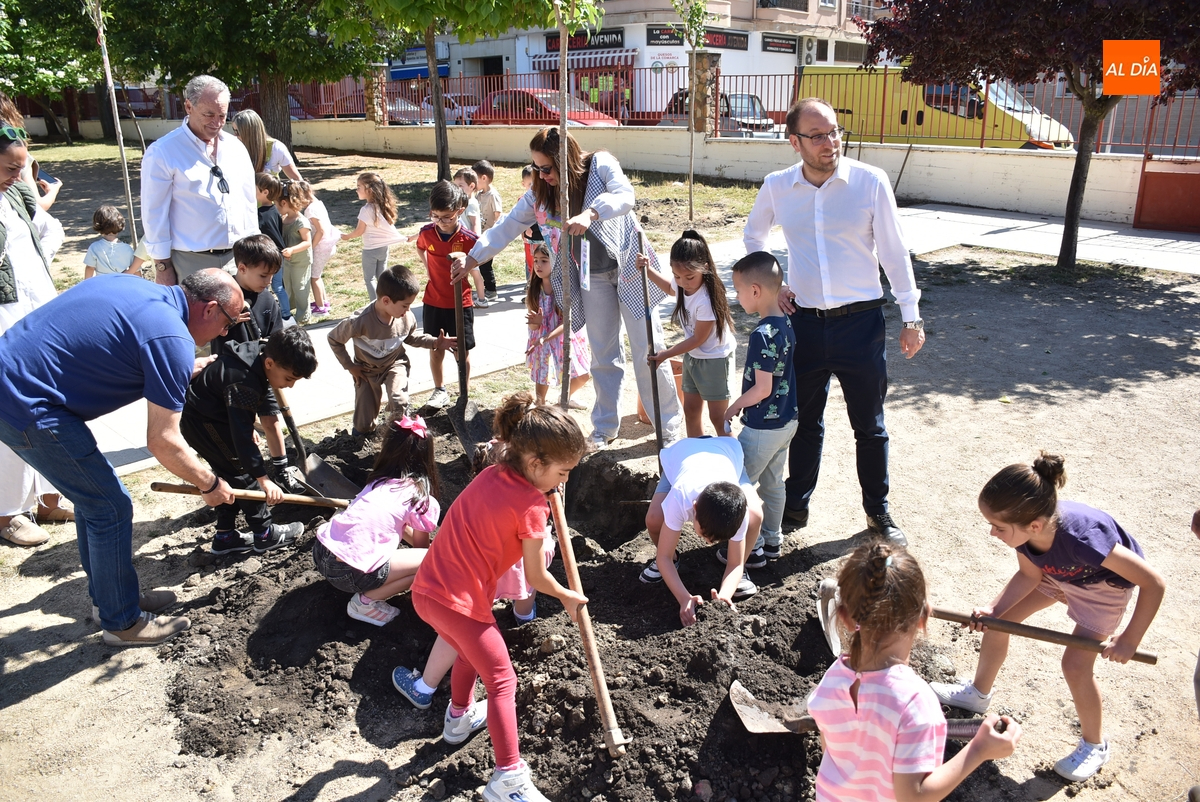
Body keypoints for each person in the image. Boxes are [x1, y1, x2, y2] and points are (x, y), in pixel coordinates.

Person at [0, 268, 243, 645]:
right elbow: (163, 441)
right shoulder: (170, 338)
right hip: (28, 405)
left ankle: (113, 600)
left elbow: (115, 339)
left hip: (13, 376)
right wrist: (208, 483)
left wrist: (178, 367)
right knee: (110, 507)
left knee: (93, 500)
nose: (225, 333)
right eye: (227, 323)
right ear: (210, 309)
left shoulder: (136, 289)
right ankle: (122, 623)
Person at [744, 96, 924, 547]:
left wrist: (911, 316)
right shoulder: (778, 186)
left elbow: (894, 251)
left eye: (835, 132)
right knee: (804, 420)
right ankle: (797, 505)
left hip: (860, 324)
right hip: (802, 322)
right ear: (795, 142)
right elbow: (753, 234)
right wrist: (773, 286)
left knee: (870, 423)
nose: (831, 143)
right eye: (818, 136)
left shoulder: (869, 182)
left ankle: (877, 511)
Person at [930, 453, 1165, 782]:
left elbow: (1153, 583)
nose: (992, 533)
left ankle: (1095, 745)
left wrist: (1129, 640)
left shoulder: (1085, 540)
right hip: (1059, 573)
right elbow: (1029, 576)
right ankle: (978, 694)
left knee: (1075, 665)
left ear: (1034, 526)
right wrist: (995, 610)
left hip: (1101, 587)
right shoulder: (1026, 533)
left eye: (998, 527)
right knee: (1000, 624)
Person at [409, 393, 588, 802]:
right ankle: (507, 777)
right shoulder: (531, 507)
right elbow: (535, 576)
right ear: (535, 464)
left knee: (470, 654)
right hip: (459, 602)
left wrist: (544, 495)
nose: (564, 483)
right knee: (504, 680)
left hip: (429, 591)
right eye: (562, 473)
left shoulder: (491, 474)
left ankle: (458, 718)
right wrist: (567, 595)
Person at [459, 127, 683, 450]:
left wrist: (592, 213)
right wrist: (473, 259)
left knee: (650, 349)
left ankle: (668, 426)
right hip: (592, 277)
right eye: (535, 168)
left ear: (566, 160)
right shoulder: (540, 194)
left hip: (633, 268)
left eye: (547, 168)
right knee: (603, 354)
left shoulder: (600, 165)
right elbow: (506, 226)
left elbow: (625, 195)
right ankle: (605, 426)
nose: (541, 175)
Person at [808, 541, 1021, 801]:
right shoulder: (915, 702)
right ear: (924, 616)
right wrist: (979, 749)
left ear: (844, 617)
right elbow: (915, 796)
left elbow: (831, 747)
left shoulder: (834, 677)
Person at [181, 327, 315, 554]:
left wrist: (240, 419)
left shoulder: (259, 356)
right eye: (289, 378)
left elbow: (240, 410)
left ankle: (225, 536)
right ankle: (264, 534)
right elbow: (242, 436)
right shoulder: (244, 380)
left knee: (227, 476)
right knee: (242, 473)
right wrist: (263, 479)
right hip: (203, 423)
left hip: (212, 418)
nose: (290, 385)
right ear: (271, 363)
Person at [0, 126, 72, 548]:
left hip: (33, 313)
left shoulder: (14, 193)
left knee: (44, 404)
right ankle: (9, 511)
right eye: (12, 167)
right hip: (3, 318)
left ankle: (46, 497)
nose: (18, 173)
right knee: (9, 411)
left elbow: (48, 230)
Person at [313, 413, 439, 625]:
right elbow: (422, 549)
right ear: (427, 459)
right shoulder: (420, 498)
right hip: (349, 573)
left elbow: (398, 527)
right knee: (431, 563)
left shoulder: (377, 483)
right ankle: (364, 604)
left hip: (322, 552)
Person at [141, 75, 258, 285]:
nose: (217, 123)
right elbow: (154, 214)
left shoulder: (236, 147)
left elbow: (248, 202)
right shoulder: (162, 152)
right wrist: (162, 266)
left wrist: (255, 249)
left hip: (238, 258)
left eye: (222, 115)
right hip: (191, 261)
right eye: (209, 114)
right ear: (188, 106)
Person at [722, 251, 798, 566]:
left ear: (755, 291)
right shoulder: (785, 324)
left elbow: (762, 388)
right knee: (773, 484)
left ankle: (748, 548)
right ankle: (772, 540)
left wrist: (733, 407)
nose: (736, 296)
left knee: (738, 485)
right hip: (786, 421)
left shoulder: (762, 335)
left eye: (738, 290)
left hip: (761, 428)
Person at [210, 234, 302, 495]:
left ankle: (281, 469)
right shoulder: (225, 299)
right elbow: (207, 332)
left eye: (272, 275)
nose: (268, 281)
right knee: (238, 424)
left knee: (271, 419)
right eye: (263, 276)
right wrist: (228, 322)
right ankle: (238, 473)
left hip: (264, 374)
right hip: (232, 377)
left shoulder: (267, 300)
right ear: (242, 268)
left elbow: (276, 337)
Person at [642, 436, 764, 625]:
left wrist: (724, 596)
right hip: (681, 457)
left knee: (756, 516)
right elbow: (662, 557)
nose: (708, 542)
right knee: (654, 519)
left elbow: (735, 564)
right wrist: (684, 598)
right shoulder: (682, 496)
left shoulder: (739, 510)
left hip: (727, 456)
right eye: (706, 534)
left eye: (716, 540)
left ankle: (740, 576)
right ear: (695, 507)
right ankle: (675, 562)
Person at [327, 265, 454, 438]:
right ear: (386, 301)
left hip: (395, 364)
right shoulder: (359, 321)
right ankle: (360, 438)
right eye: (405, 305)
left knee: (398, 399)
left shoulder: (405, 318)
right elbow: (334, 339)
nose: (408, 310)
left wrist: (436, 342)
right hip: (366, 370)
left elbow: (411, 338)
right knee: (363, 424)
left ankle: (400, 436)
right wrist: (350, 365)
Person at [640, 230, 736, 438]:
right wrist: (648, 270)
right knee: (691, 411)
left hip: (715, 360)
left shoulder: (707, 300)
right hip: (694, 357)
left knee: (718, 418)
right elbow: (670, 287)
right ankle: (697, 452)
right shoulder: (683, 285)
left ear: (705, 268)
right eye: (677, 276)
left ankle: (734, 459)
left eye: (690, 277)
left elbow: (698, 338)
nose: (683, 282)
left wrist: (666, 354)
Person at [416, 180, 482, 408]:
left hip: (460, 303)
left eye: (447, 217)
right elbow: (420, 247)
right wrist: (428, 268)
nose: (440, 222)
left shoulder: (469, 239)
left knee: (460, 351)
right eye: (435, 216)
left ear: (460, 211)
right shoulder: (426, 233)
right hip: (434, 301)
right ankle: (439, 389)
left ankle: (464, 392)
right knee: (436, 347)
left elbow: (480, 261)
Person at [525, 242, 590, 407]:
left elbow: (568, 322)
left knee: (583, 374)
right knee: (543, 373)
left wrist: (546, 336)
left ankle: (564, 399)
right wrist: (536, 325)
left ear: (554, 262)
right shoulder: (534, 289)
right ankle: (540, 405)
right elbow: (532, 325)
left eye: (544, 260)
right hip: (542, 340)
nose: (538, 265)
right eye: (536, 260)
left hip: (562, 337)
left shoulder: (562, 289)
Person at [340, 171, 403, 301]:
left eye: (358, 187)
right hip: (383, 249)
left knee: (369, 279)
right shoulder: (384, 206)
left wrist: (347, 236)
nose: (356, 190)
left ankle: (375, 304)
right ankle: (386, 301)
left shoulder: (366, 210)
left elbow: (359, 231)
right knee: (382, 277)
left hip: (370, 250)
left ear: (369, 190)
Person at [290, 180, 336, 316]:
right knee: (317, 275)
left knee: (313, 277)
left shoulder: (310, 210)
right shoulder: (317, 203)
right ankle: (323, 302)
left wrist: (311, 247)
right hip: (328, 245)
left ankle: (321, 308)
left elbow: (320, 231)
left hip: (322, 246)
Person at [254, 172, 292, 324]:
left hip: (270, 255)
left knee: (271, 287)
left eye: (254, 188)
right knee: (278, 286)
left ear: (265, 192)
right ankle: (286, 315)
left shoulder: (260, 215)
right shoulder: (276, 210)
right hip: (280, 254)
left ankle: (278, 315)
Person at [276, 181, 313, 324]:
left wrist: (292, 249)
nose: (276, 207)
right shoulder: (284, 219)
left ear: (284, 203)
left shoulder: (301, 222)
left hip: (301, 260)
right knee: (288, 286)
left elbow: (307, 242)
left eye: (277, 204)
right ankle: (290, 309)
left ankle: (303, 315)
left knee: (300, 287)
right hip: (288, 261)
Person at [231, 109, 302, 180]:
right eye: (234, 130)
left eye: (237, 131)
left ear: (249, 132)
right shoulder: (235, 148)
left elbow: (297, 179)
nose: (234, 135)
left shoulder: (275, 148)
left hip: (271, 190)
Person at [472, 159, 502, 302]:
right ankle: (484, 288)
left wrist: (494, 232)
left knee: (486, 264)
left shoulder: (493, 195)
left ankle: (491, 290)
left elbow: (497, 214)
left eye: (475, 179)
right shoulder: (478, 195)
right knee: (480, 263)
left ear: (484, 178)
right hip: (480, 236)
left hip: (489, 236)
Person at [83, 205, 136, 278]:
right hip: (122, 284)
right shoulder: (128, 249)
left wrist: (88, 285)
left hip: (103, 285)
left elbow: (90, 268)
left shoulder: (94, 247)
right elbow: (136, 271)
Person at [519, 165, 542, 279]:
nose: (533, 188)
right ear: (523, 184)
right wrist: (524, 230)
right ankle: (530, 283)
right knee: (530, 260)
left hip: (543, 236)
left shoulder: (543, 198)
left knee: (542, 259)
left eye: (535, 184)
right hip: (530, 238)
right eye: (530, 185)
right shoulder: (522, 200)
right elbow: (520, 218)